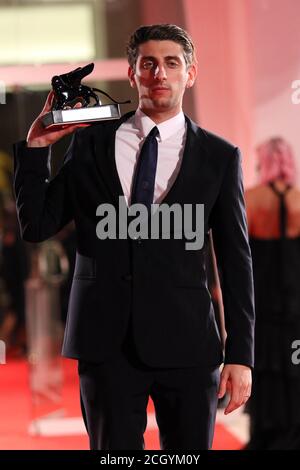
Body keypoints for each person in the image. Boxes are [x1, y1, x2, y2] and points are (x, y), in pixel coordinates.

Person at [13, 24, 255, 450]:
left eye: (171, 63)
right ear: (132, 74)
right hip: (105, 343)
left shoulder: (220, 157)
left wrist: (241, 355)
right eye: (148, 64)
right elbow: (37, 226)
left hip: (189, 344)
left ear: (190, 74)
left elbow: (236, 261)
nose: (159, 73)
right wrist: (36, 150)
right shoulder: (91, 145)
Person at [245, 137, 300, 449]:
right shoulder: (299, 200)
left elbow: (238, 255)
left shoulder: (251, 199)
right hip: (295, 302)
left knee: (265, 366)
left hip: (261, 301)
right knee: (294, 367)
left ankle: (265, 435)